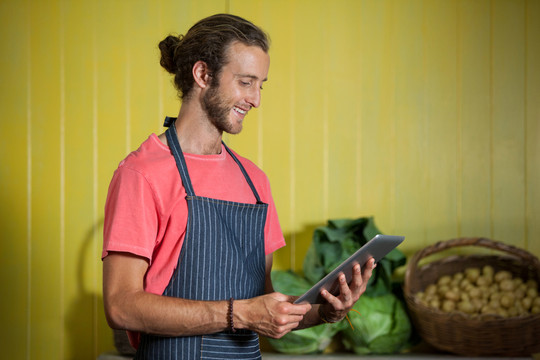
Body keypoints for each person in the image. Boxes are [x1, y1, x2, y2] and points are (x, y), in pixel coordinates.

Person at [102, 13, 375, 360]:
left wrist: (325, 311)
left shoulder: (254, 181)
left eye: (261, 85)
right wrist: (240, 313)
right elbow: (121, 306)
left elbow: (264, 302)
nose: (256, 99)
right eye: (246, 82)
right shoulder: (142, 173)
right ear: (202, 75)